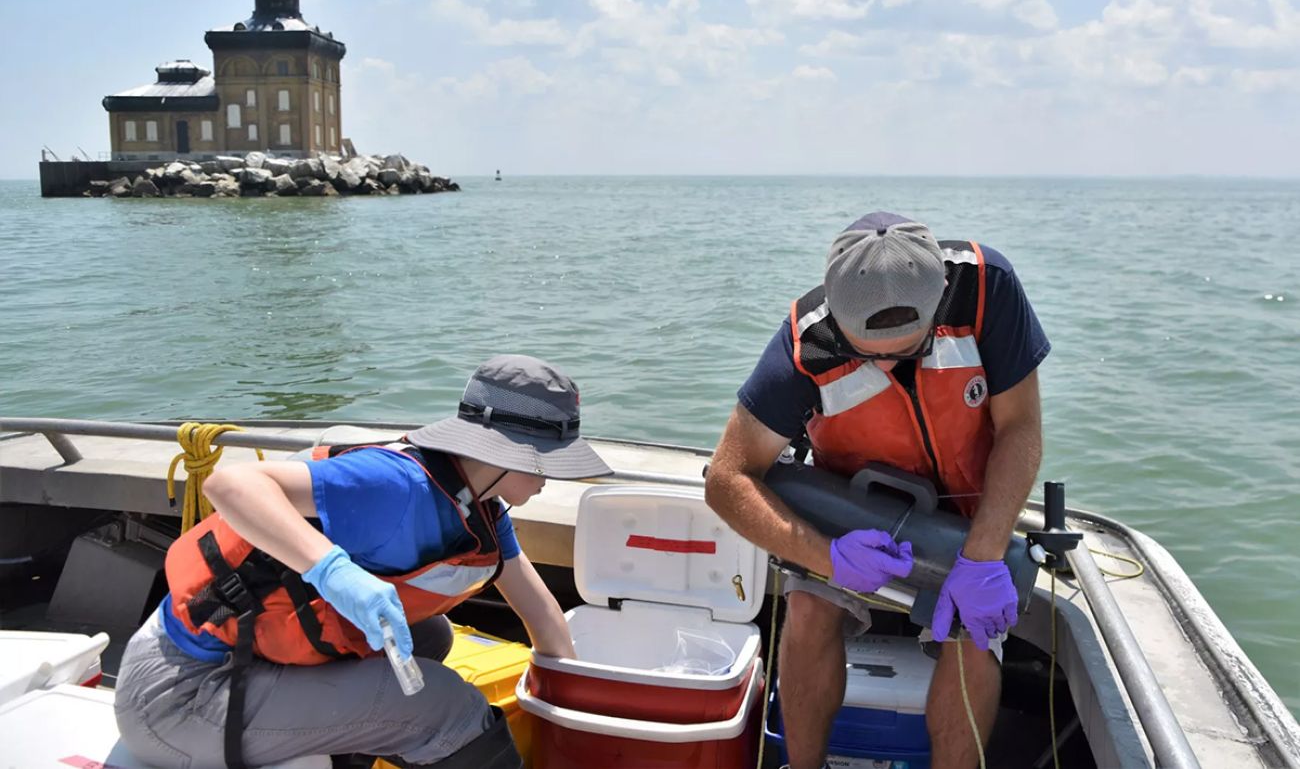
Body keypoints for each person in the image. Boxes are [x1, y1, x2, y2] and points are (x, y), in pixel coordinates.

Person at [114, 354, 612, 769]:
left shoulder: (479, 503)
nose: (554, 475)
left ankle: (343, 753)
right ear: (512, 452)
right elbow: (229, 485)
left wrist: (581, 722)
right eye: (549, 458)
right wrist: (332, 569)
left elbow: (542, 616)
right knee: (450, 707)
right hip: (183, 694)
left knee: (430, 636)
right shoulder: (394, 485)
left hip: (245, 666)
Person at [705, 212, 1049, 769]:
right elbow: (726, 479)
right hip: (851, 514)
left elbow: (1021, 427)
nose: (886, 362)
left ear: (938, 299)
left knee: (975, 633)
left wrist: (983, 556)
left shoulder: (987, 288)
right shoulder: (805, 342)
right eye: (867, 352)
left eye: (904, 350)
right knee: (811, 607)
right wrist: (830, 559)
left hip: (970, 518)